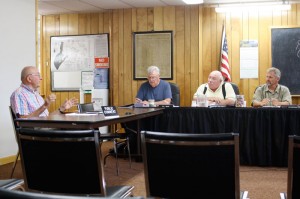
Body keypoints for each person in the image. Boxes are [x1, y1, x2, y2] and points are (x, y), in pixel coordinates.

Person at [10, 66, 78, 118]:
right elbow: (22, 121)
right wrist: (44, 106)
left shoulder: (36, 94)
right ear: (29, 79)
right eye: (38, 75)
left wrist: (62, 108)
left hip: (45, 128)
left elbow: (47, 118)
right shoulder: (19, 94)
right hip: (35, 133)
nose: (41, 78)